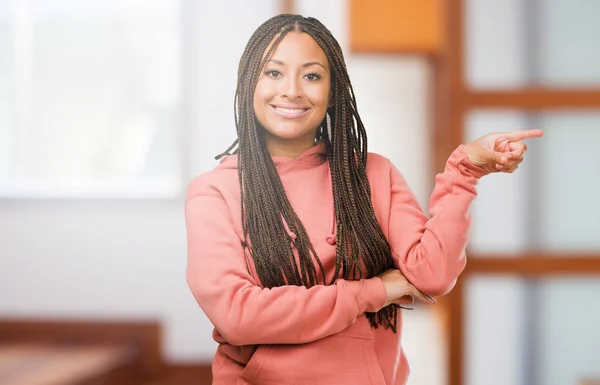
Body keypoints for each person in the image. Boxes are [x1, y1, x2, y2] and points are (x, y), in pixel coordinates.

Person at [184, 14, 543, 385]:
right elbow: (238, 316)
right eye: (273, 73)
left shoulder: (374, 174)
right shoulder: (214, 193)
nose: (291, 90)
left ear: (333, 90)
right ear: (248, 83)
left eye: (311, 75)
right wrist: (375, 290)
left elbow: (432, 273)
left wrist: (464, 171)